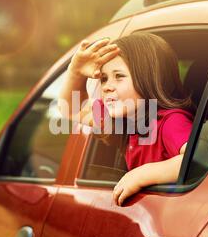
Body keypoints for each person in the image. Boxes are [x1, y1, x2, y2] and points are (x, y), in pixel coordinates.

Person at [59, 32, 195, 206]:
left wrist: (141, 175)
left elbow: (198, 159)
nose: (107, 87)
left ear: (150, 77)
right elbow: (70, 108)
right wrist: (75, 72)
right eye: (104, 79)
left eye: (119, 76)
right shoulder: (123, 122)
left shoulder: (170, 121)